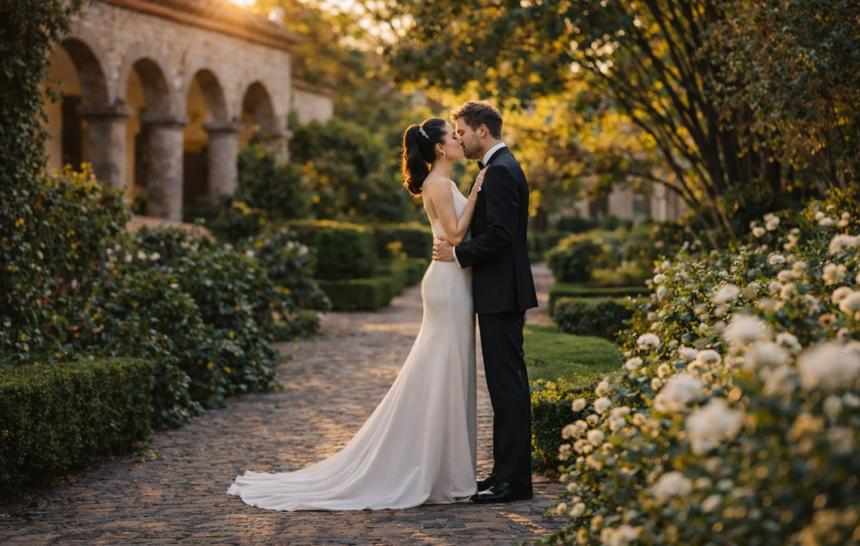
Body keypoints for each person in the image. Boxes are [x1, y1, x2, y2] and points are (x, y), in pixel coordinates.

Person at [227, 117, 486, 511]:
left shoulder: (443, 183)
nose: (458, 140)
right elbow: (453, 236)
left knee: (445, 370)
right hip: (448, 285)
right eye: (453, 136)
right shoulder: (438, 184)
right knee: (441, 370)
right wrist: (479, 195)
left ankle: (447, 470)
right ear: (438, 147)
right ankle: (438, 472)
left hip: (452, 282)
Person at [433, 100, 538, 504]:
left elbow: (501, 235)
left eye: (460, 130)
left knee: (508, 387)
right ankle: (504, 473)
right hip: (498, 292)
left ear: (481, 130)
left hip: (502, 294)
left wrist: (458, 255)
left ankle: (515, 483)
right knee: (504, 386)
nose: (458, 137)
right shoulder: (498, 168)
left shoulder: (501, 170)